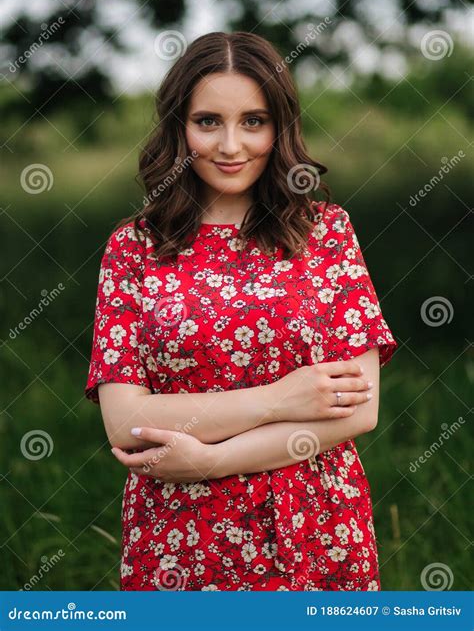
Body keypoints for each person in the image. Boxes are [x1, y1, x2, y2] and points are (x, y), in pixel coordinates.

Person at [85, 31, 397, 591]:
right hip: (179, 532)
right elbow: (127, 423)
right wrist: (282, 398)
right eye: (208, 122)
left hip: (317, 525)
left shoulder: (325, 232)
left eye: (253, 121)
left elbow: (357, 412)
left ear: (281, 127)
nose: (231, 145)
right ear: (179, 127)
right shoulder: (134, 247)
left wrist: (207, 461)